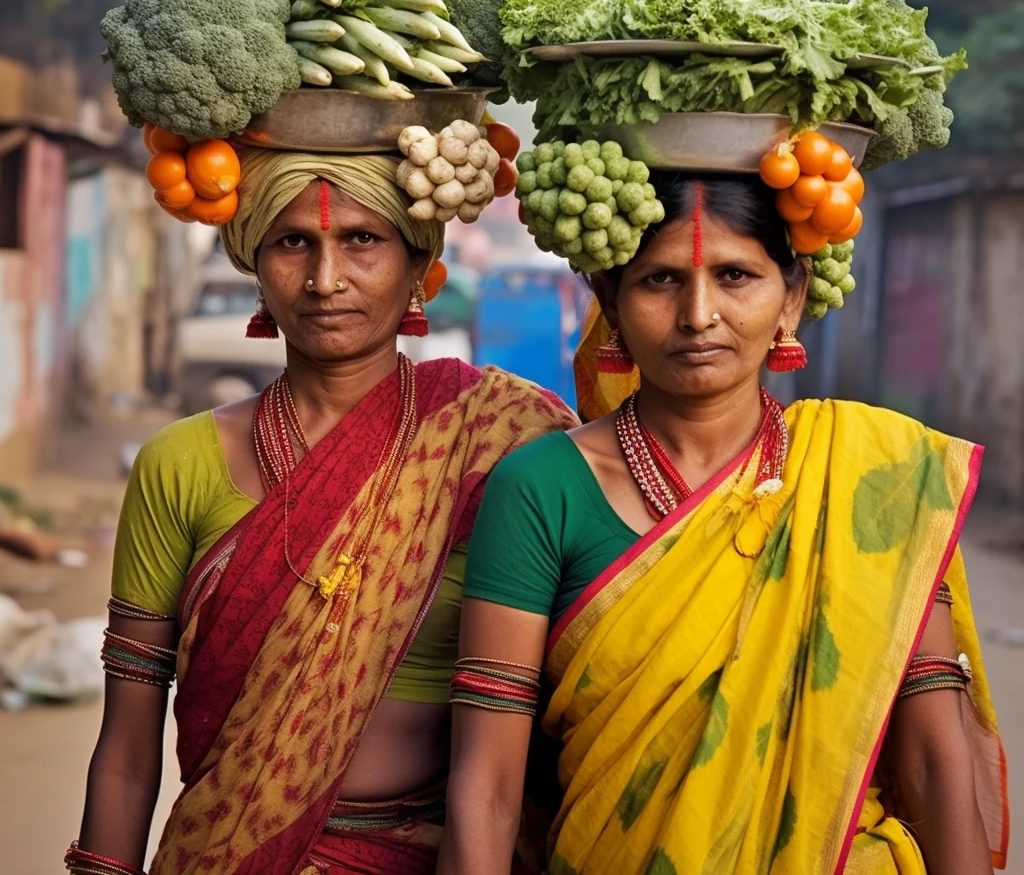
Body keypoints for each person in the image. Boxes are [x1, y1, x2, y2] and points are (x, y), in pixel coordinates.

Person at [439, 173, 1008, 875]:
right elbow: (489, 785)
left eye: (736, 275)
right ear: (609, 300)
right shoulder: (540, 487)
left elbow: (930, 759)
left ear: (791, 298)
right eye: (660, 281)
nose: (699, 313)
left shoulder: (872, 473)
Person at [71, 147, 577, 875]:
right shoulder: (178, 464)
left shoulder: (500, 442)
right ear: (254, 262)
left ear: (416, 263)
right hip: (225, 853)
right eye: (291, 242)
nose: (324, 278)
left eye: (362, 240)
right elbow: (125, 749)